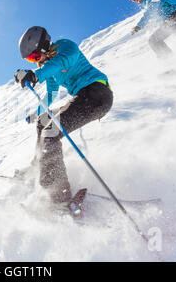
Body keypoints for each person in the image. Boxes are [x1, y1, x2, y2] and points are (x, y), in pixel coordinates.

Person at [14, 26, 113, 213]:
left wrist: (35, 75)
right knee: (44, 121)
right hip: (84, 97)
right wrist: (36, 113)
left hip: (97, 94)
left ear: (43, 47)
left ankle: (59, 199)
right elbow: (50, 93)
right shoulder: (49, 66)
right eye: (30, 60)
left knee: (50, 133)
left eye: (34, 57)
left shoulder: (64, 47)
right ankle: (39, 166)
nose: (36, 62)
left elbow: (62, 61)